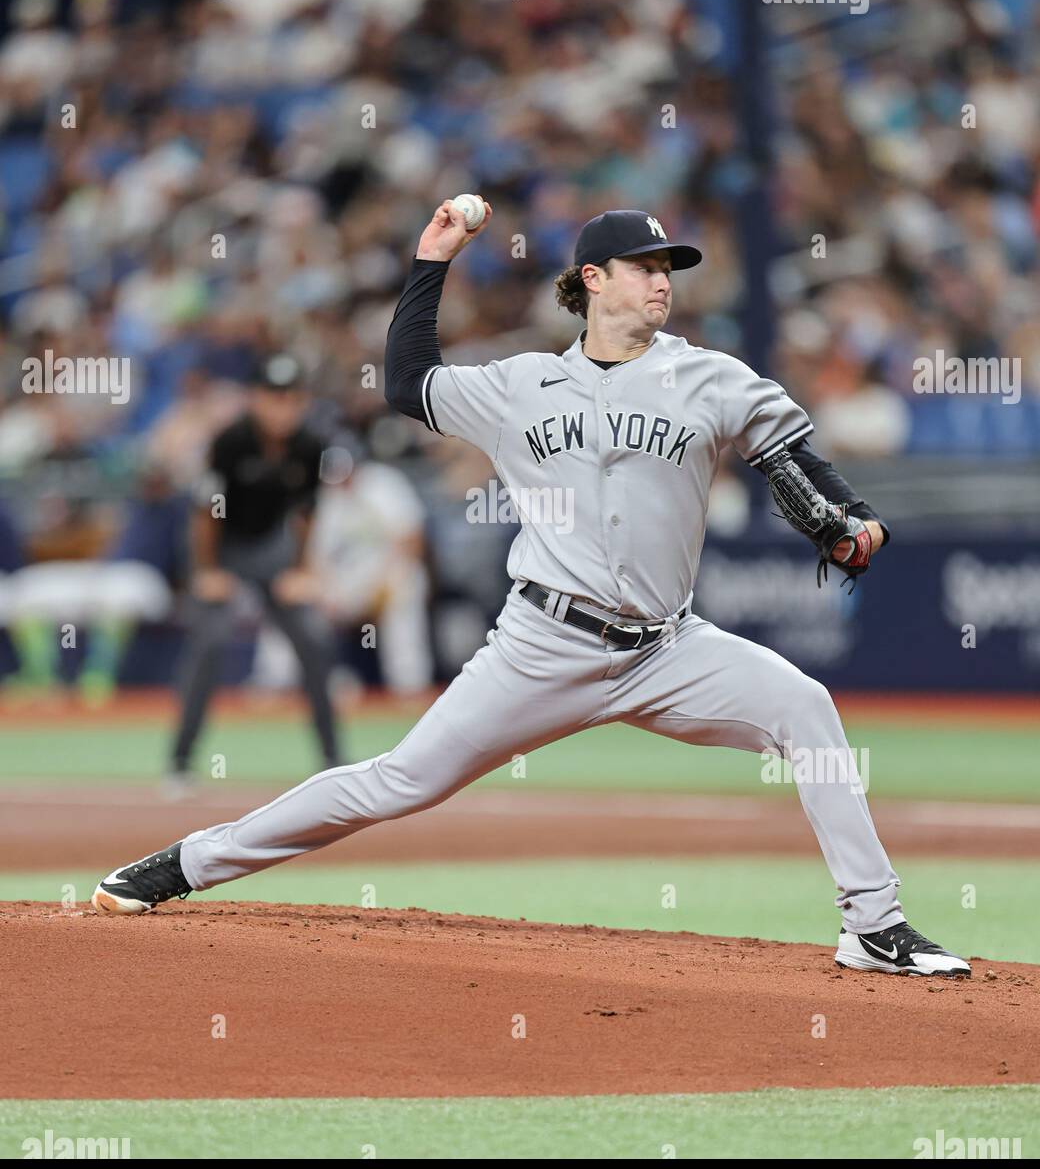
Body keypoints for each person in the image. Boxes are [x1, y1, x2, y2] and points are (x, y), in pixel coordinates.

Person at [91, 202, 969, 980]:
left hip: (668, 647)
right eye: (646, 267)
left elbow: (789, 455)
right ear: (593, 279)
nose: (663, 283)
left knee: (806, 708)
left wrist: (845, 521)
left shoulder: (710, 375)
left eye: (670, 269)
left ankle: (875, 924)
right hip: (542, 644)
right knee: (397, 781)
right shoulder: (520, 386)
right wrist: (431, 262)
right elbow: (406, 383)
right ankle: (181, 865)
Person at [163, 352, 341, 794]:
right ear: (256, 399)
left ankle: (334, 761)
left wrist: (301, 571)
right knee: (211, 640)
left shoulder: (310, 445)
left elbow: (306, 514)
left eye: (291, 398)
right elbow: (205, 513)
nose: (282, 407)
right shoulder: (230, 442)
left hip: (272, 551)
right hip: (223, 548)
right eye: (272, 397)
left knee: (314, 640)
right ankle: (180, 762)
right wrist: (206, 571)